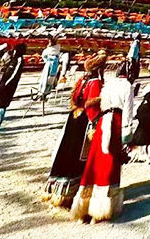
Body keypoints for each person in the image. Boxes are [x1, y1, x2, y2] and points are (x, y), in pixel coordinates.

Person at [45, 50, 107, 208]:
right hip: (84, 119)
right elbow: (92, 104)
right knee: (78, 155)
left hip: (74, 116)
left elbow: (75, 99)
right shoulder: (95, 83)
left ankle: (56, 189)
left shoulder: (82, 80)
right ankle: (70, 192)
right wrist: (96, 120)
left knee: (65, 150)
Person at [71, 71, 133, 222]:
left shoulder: (108, 85)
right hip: (116, 122)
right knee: (109, 163)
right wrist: (128, 132)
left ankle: (84, 204)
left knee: (94, 160)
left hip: (103, 121)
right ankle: (102, 206)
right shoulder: (127, 86)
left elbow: (101, 104)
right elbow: (128, 109)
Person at [0, 43, 25, 134]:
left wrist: (7, 83)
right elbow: (2, 64)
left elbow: (15, 74)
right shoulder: (13, 59)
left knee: (1, 106)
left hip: (8, 86)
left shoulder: (19, 60)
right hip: (3, 84)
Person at [38, 36, 62, 100]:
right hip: (47, 65)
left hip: (51, 66)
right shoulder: (49, 50)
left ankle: (45, 93)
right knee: (44, 79)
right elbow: (44, 56)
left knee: (48, 80)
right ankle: (41, 92)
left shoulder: (54, 52)